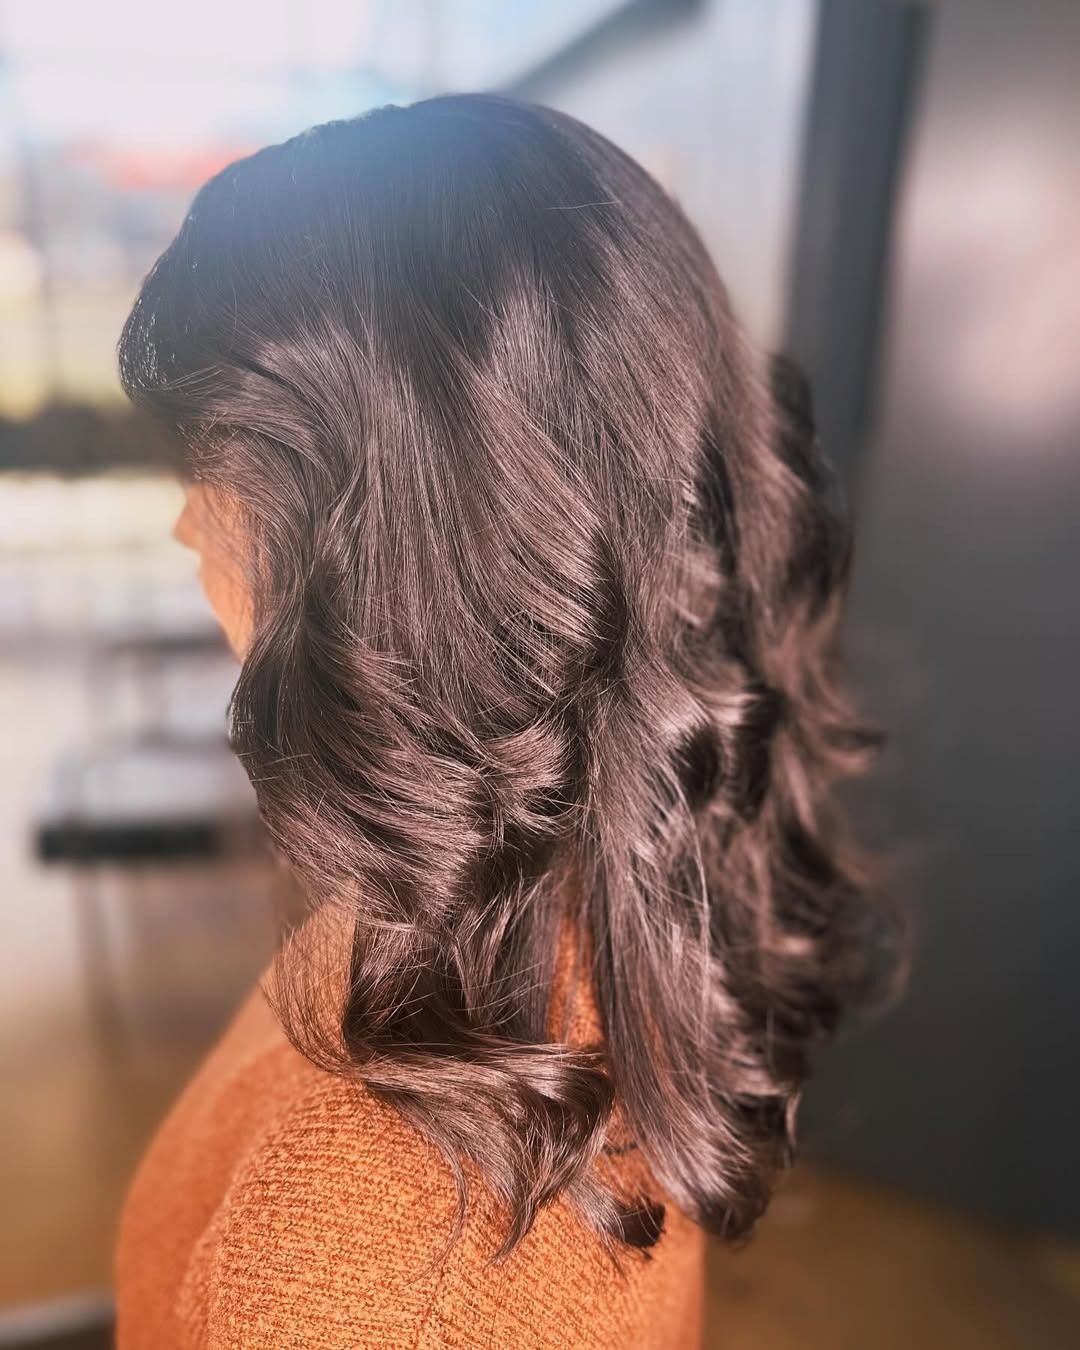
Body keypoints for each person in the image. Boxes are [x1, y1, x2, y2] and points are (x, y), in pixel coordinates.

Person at [114, 93, 889, 1348]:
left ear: (404, 553)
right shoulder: (603, 898)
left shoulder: (360, 1274)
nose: (188, 526)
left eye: (222, 463)